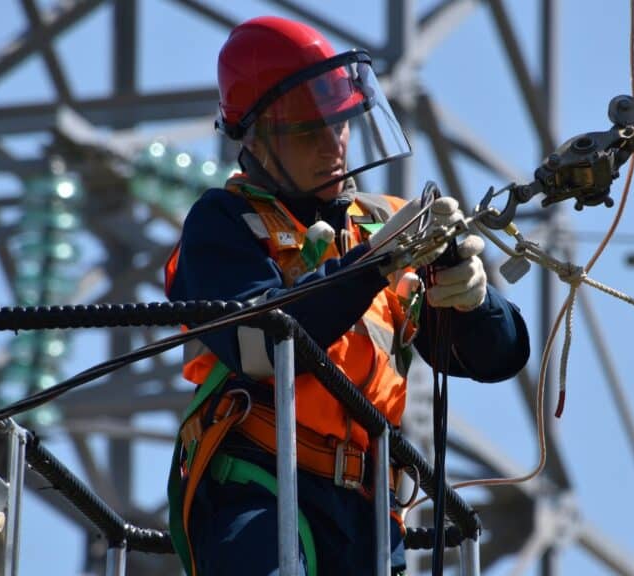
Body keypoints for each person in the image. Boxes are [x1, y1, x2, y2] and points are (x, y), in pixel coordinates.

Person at [165, 15, 530, 575]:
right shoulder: (224, 222)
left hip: (370, 512)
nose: (333, 146)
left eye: (339, 126)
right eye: (309, 131)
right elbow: (259, 347)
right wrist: (375, 264)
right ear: (257, 137)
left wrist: (476, 299)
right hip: (263, 482)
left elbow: (497, 357)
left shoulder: (379, 224)